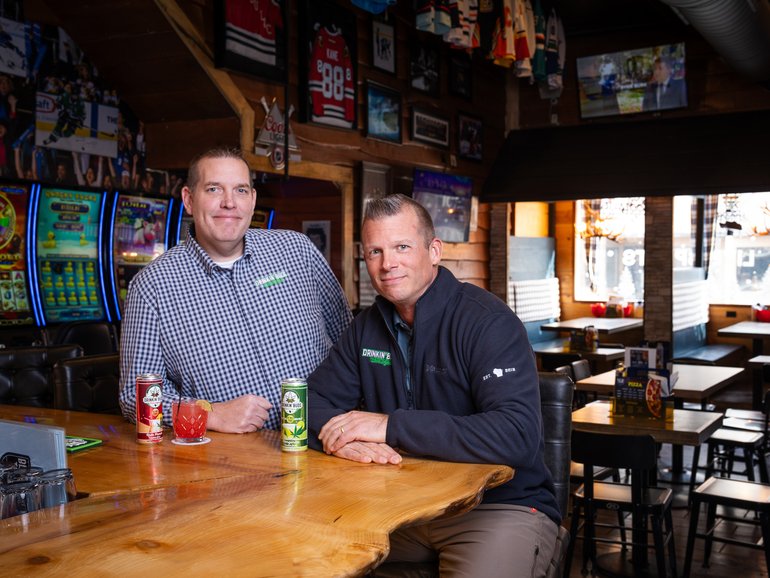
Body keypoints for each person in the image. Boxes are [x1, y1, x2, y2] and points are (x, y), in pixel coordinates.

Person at [307, 194, 560, 576]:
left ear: (434, 250)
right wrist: (348, 442)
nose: (387, 263)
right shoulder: (365, 328)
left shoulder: (487, 321)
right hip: (397, 509)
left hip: (495, 508)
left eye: (401, 247)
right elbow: (310, 402)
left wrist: (389, 426)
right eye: (375, 251)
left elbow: (517, 434)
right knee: (302, 557)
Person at [119, 147, 352, 433]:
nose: (229, 203)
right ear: (189, 200)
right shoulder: (152, 287)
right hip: (236, 464)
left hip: (330, 442)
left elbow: (348, 344)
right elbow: (134, 397)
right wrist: (211, 414)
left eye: (241, 190)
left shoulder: (298, 251)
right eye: (214, 189)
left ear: (252, 200)